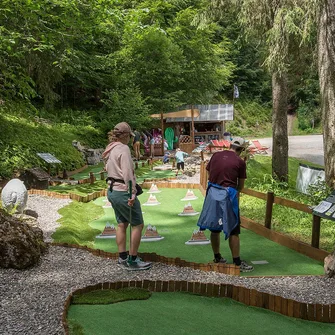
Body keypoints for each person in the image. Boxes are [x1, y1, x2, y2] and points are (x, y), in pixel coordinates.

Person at [196, 137, 254, 272]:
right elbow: (240, 185)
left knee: (214, 229)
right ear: (241, 149)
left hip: (212, 195)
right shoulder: (240, 162)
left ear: (230, 145)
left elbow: (209, 174)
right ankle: (237, 262)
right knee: (234, 229)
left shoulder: (216, 156)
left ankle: (217, 257)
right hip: (228, 196)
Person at [102, 122, 152, 271]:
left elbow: (107, 168)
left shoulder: (110, 148)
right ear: (125, 136)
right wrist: (132, 194)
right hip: (123, 191)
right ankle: (132, 260)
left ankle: (122, 257)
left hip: (112, 190)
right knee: (138, 224)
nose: (130, 139)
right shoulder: (123, 149)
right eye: (129, 136)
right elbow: (128, 173)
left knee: (122, 223)